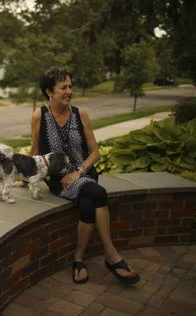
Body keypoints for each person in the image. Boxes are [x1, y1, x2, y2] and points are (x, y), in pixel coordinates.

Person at [29, 67, 139, 285]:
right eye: (63, 87)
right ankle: (110, 255)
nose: (69, 91)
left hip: (84, 175)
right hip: (59, 181)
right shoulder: (39, 115)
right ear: (49, 91)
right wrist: (27, 176)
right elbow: (34, 150)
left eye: (70, 86)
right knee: (96, 196)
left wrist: (79, 171)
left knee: (90, 201)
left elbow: (95, 152)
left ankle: (81, 259)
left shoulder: (81, 114)